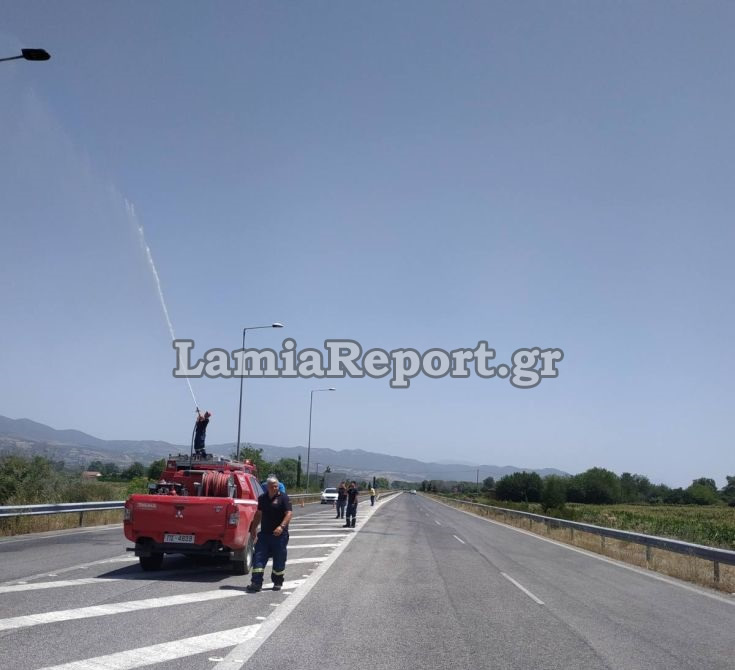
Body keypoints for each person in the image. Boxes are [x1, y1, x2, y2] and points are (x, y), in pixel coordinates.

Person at [246, 475, 292, 592]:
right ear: (267, 487)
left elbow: (289, 514)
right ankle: (256, 583)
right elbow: (258, 514)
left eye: (276, 486)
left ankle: (277, 582)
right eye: (272, 486)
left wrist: (281, 527)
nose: (275, 488)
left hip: (279, 536)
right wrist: (253, 528)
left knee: (279, 559)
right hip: (264, 535)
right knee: (258, 558)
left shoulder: (284, 498)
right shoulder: (262, 498)